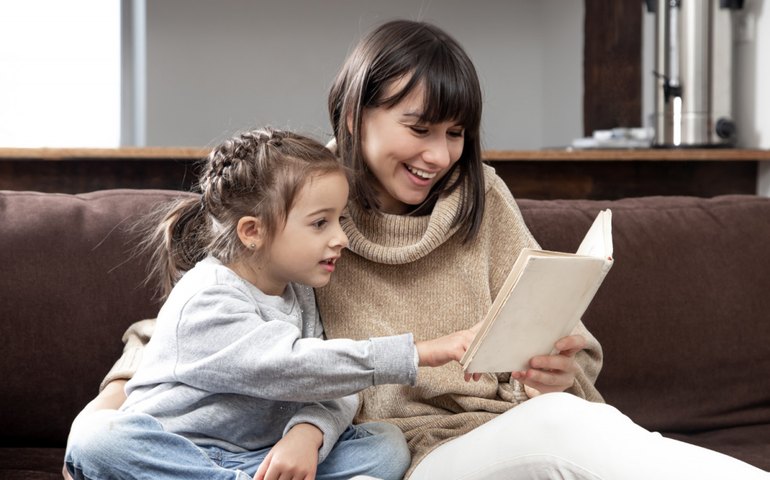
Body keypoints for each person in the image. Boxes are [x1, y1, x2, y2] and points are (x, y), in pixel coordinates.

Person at [66, 20, 769, 480]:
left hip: (512, 427)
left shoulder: (483, 197)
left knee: (574, 422)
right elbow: (190, 330)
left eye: (455, 134)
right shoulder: (302, 211)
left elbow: (573, 346)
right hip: (409, 453)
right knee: (566, 432)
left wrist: (560, 369)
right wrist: (102, 414)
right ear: (355, 114)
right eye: (420, 128)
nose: (439, 155)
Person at [63, 127, 481, 480]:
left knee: (386, 447)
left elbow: (334, 386)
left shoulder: (300, 292)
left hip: (257, 459)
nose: (340, 238)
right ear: (252, 231)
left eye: (338, 220)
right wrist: (414, 353)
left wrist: (307, 433)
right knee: (97, 440)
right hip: (176, 453)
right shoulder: (206, 296)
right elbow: (291, 365)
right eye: (320, 223)